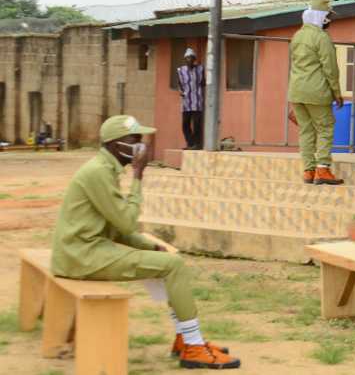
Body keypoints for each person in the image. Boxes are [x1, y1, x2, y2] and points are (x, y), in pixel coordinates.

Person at [51, 115, 240, 369]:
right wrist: (139, 175)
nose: (142, 146)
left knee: (167, 263)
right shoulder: (98, 173)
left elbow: (116, 228)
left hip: (80, 251)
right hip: (81, 256)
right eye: (135, 140)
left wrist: (148, 245)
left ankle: (185, 339)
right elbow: (126, 223)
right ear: (117, 145)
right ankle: (194, 347)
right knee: (173, 266)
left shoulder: (104, 168)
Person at [288, 0, 344, 185]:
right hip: (317, 92)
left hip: (296, 91)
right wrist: (337, 93)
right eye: (328, 16)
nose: (330, 20)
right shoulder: (321, 37)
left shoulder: (297, 35)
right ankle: (323, 169)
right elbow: (330, 68)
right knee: (325, 128)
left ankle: (308, 171)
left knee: (306, 131)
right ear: (321, 17)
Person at [177, 47, 205, 150]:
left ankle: (196, 144)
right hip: (186, 102)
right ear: (185, 59)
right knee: (185, 125)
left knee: (197, 125)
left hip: (197, 101)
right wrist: (180, 91)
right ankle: (190, 143)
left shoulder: (200, 69)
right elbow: (179, 84)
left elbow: (203, 83)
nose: (189, 60)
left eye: (191, 58)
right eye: (187, 58)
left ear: (194, 59)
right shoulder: (181, 71)